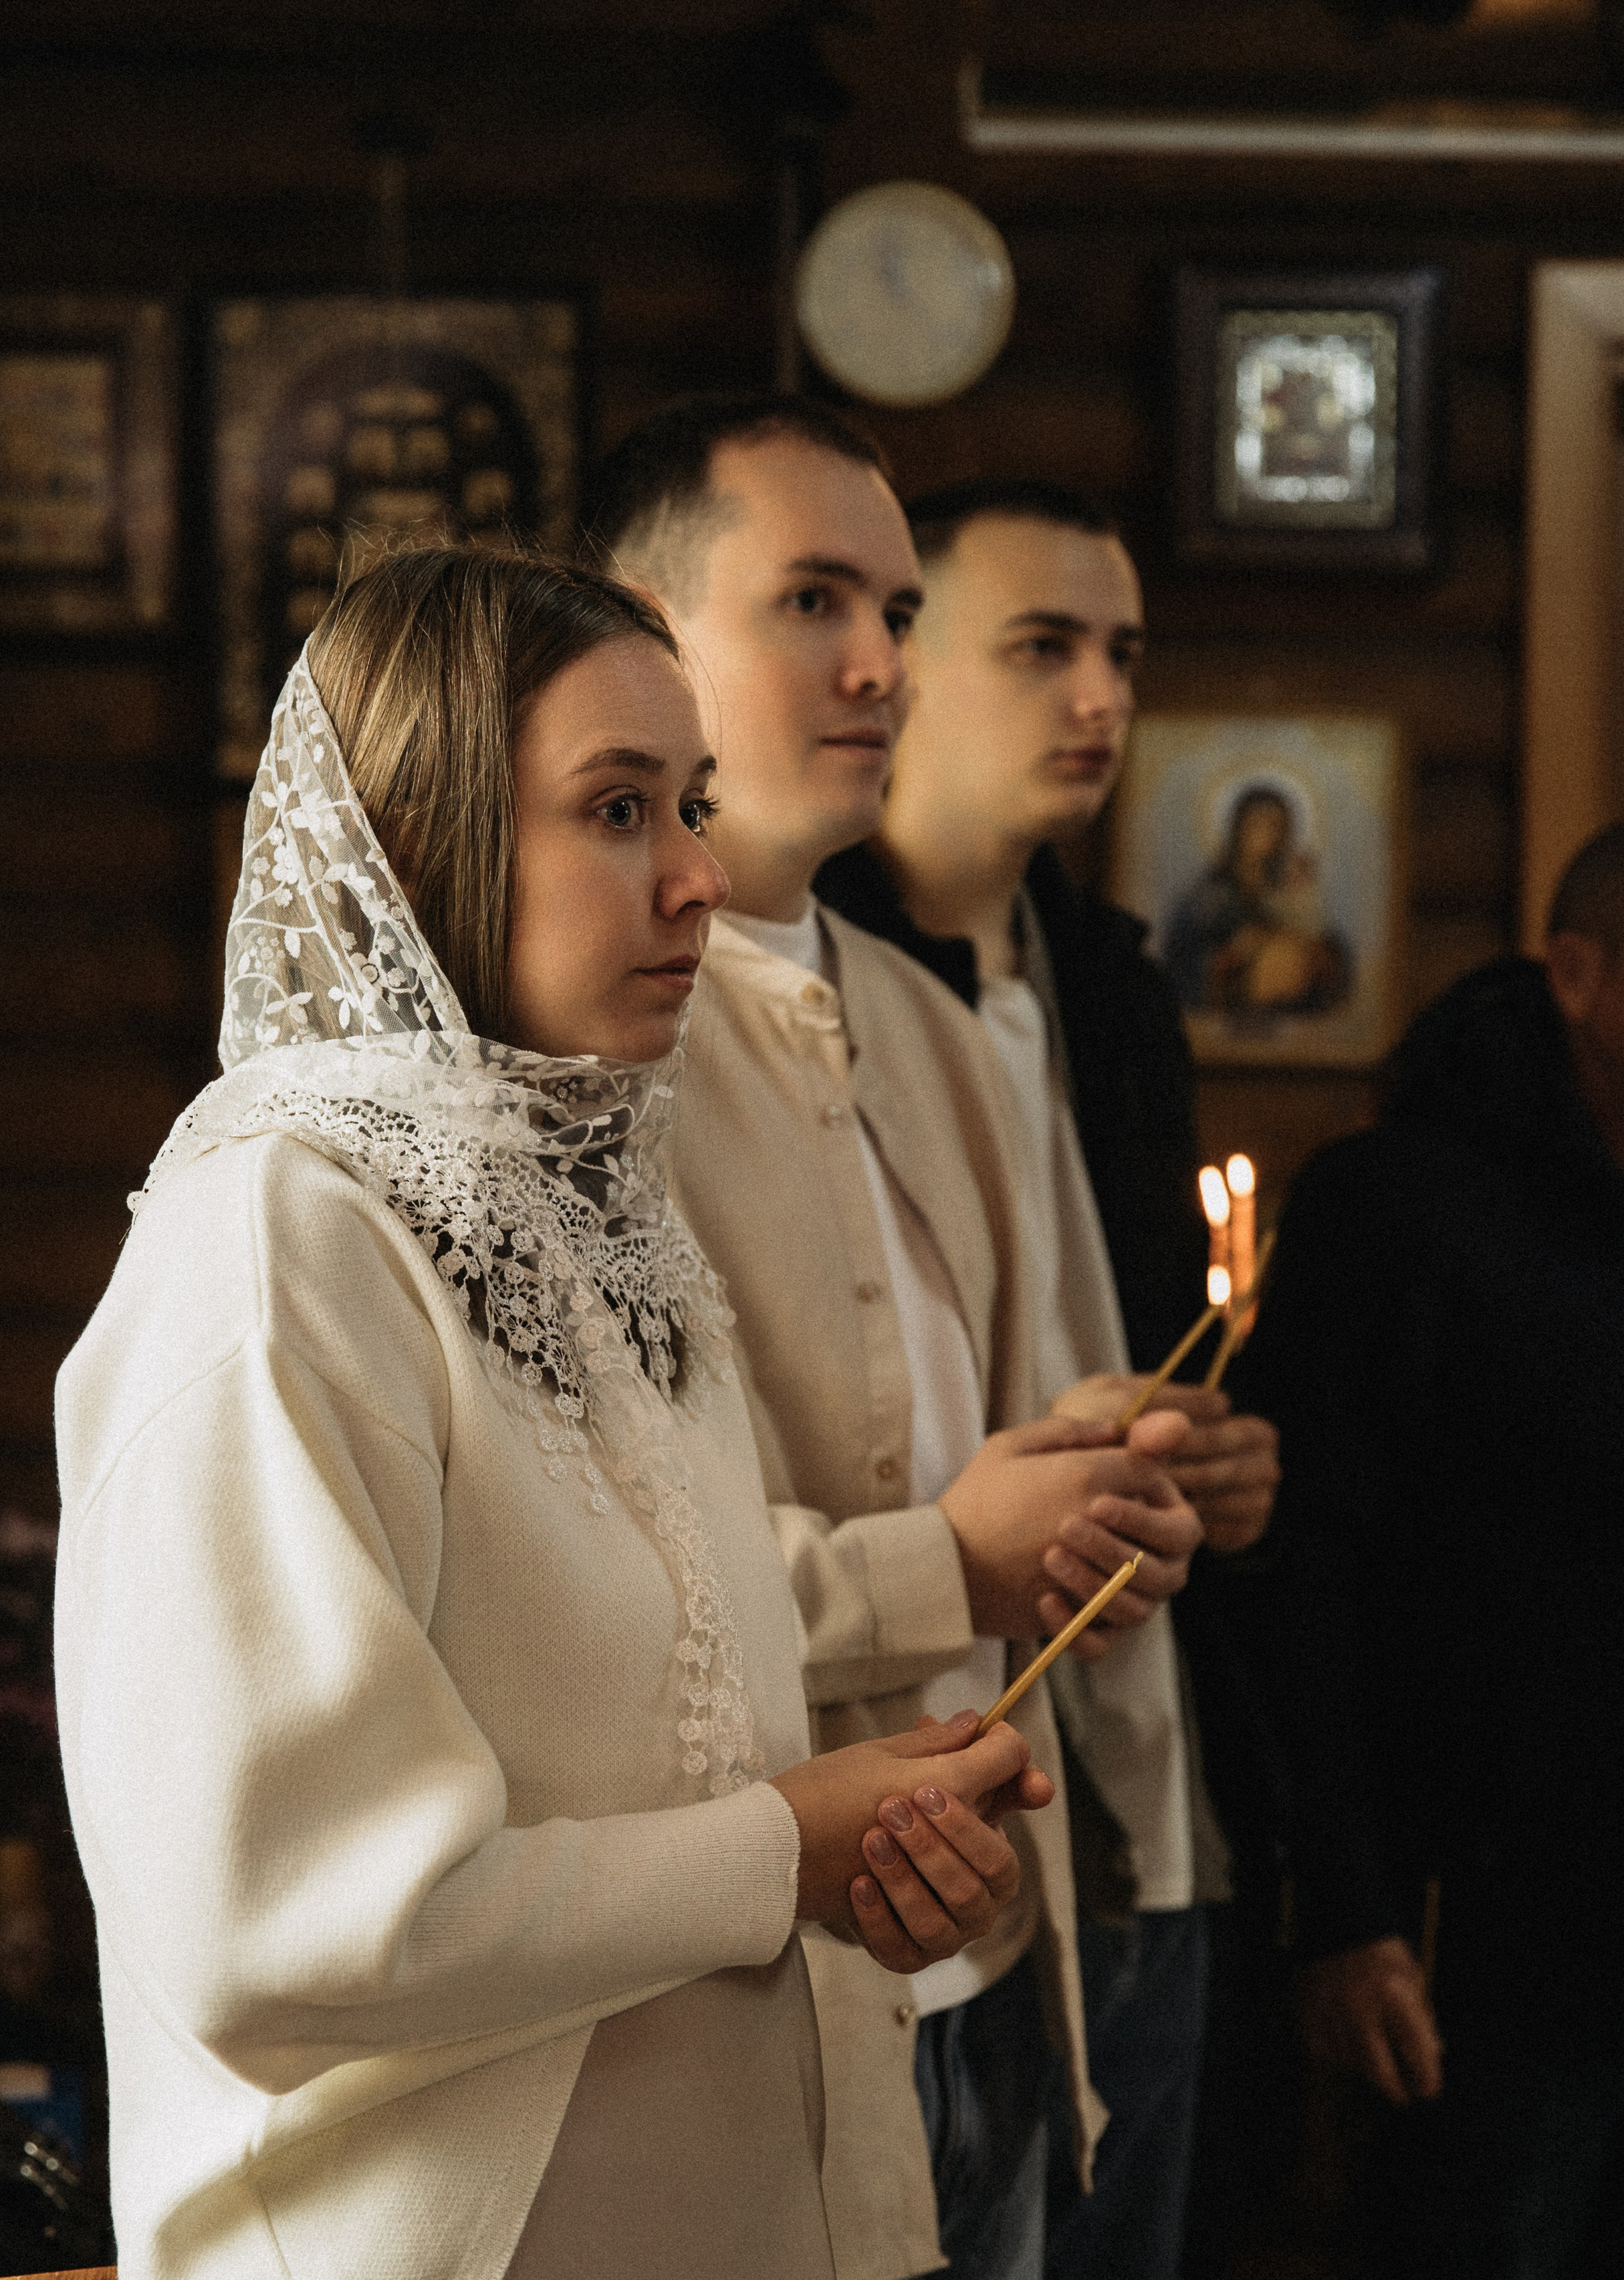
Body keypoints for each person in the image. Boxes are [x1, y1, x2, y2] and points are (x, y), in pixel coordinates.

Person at [51, 548, 1058, 2280]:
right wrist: (776, 1850)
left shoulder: (607, 1228)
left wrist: (861, 1838)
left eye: (695, 803)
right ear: (426, 838)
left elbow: (684, 1761)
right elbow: (271, 1915)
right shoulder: (279, 1240)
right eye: (616, 809)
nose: (702, 877)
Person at [589, 401, 1206, 2280]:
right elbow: (598, 1583)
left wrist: (1116, 1499)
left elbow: (1018, 1457)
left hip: (999, 1951)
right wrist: (954, 1554)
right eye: (813, 602)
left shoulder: (941, 1026)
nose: (883, 663)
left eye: (903, 606)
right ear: (642, 628)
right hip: (740, 1978)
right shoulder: (572, 1056)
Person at [816, 477, 1282, 2280]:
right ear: (902, 666)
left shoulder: (1109, 982)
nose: (1102, 698)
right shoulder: (804, 974)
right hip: (912, 1769)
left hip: (1142, 1759)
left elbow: (1153, 1335)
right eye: (1045, 647)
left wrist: (1224, 1461)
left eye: (1125, 654)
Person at [1236, 820, 1624, 2280]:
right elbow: (1301, 1569)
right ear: (1576, 975)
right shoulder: (1396, 1202)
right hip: (1476, 1933)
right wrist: (1343, 1909)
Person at [1164, 780, 1351, 1022]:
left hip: (1288, 1013)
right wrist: (1228, 957)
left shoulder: (1288, 888)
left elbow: (1325, 943)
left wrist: (1317, 952)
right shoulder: (1211, 892)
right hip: (1228, 1008)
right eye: (1256, 824)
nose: (1264, 835)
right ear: (1239, 828)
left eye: (1274, 826)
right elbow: (1182, 955)